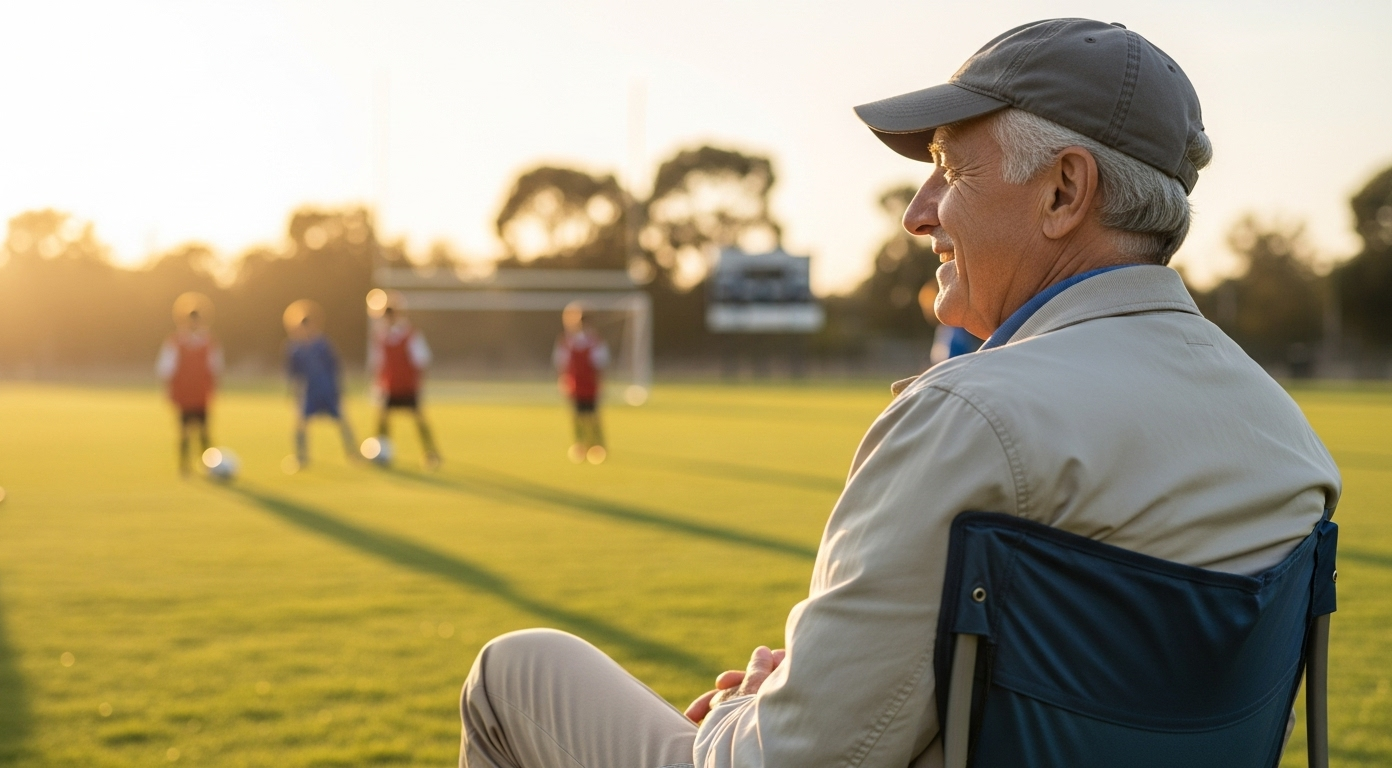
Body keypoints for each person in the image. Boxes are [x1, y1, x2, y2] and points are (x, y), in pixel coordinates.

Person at [457, 19, 1341, 768]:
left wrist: (751, 710)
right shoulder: (1288, 444)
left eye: (952, 171)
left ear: (1065, 190)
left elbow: (798, 761)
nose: (919, 212)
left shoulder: (971, 416)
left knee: (517, 671)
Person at [367, 294, 441, 468]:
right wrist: (377, 385)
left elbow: (422, 360)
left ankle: (431, 453)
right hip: (389, 387)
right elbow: (378, 363)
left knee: (419, 420)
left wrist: (419, 384)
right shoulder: (380, 337)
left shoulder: (410, 334)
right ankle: (382, 453)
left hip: (407, 386)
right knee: (382, 420)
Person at [283, 299, 357, 469]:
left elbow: (335, 368)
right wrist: (293, 392)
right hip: (309, 392)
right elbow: (294, 374)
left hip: (327, 389)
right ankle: (301, 457)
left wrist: (339, 390)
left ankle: (353, 453)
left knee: (342, 420)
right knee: (300, 423)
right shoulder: (294, 348)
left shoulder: (323, 345)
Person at [156, 293, 223, 475]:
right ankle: (184, 466)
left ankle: (208, 465)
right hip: (183, 394)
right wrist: (167, 391)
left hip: (201, 393)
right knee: (183, 431)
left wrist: (214, 390)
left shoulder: (208, 342)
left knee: (204, 431)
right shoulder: (175, 342)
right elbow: (166, 368)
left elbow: (215, 368)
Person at [553, 302, 610, 465]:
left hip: (590, 385)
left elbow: (600, 364)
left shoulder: (594, 341)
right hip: (574, 384)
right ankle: (580, 445)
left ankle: (597, 446)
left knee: (593, 416)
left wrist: (602, 383)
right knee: (576, 416)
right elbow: (561, 363)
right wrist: (562, 381)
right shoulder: (566, 341)